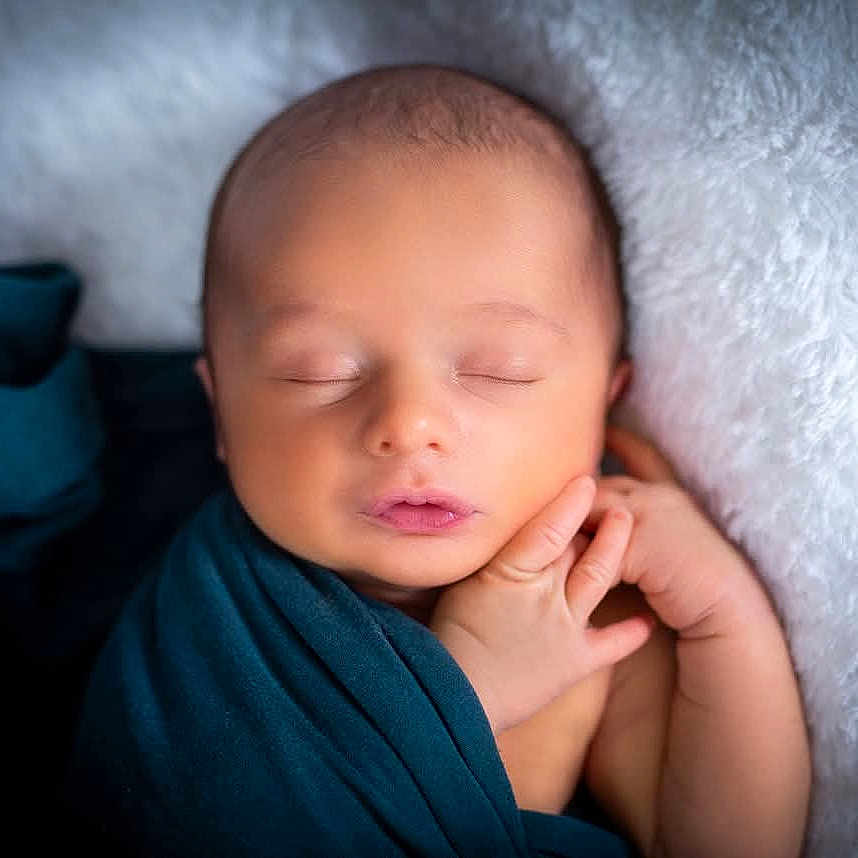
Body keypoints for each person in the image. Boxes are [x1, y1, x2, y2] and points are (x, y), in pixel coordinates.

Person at [66, 63, 811, 857]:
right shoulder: (221, 617)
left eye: (498, 369)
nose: (409, 423)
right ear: (222, 413)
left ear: (604, 401)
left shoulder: (597, 605)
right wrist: (470, 688)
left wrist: (725, 616)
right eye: (318, 370)